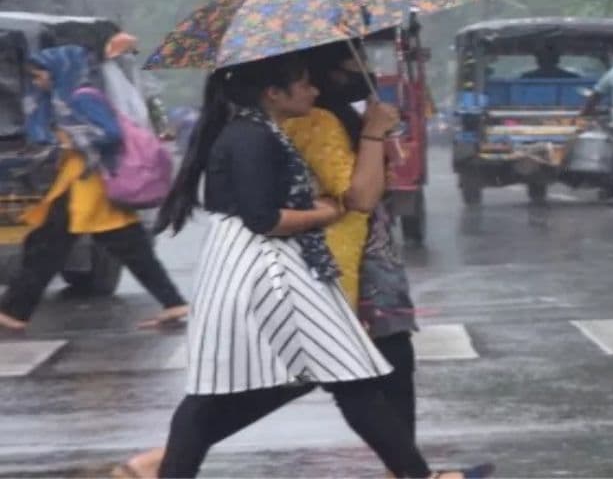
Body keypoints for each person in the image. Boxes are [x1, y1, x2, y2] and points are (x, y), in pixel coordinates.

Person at [143, 52, 489, 479]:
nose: (314, 90)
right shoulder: (251, 137)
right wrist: (324, 212)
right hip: (267, 269)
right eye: (304, 83)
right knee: (325, 380)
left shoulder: (263, 131)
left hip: (270, 264)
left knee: (346, 380)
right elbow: (264, 218)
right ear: (274, 93)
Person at [0, 45, 188, 332]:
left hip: (90, 186)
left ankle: (15, 311)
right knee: (126, 249)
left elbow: (110, 133)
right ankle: (173, 301)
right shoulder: (66, 98)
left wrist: (71, 141)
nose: (37, 82)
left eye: (40, 75)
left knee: (48, 248)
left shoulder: (81, 97)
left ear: (58, 71)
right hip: (81, 183)